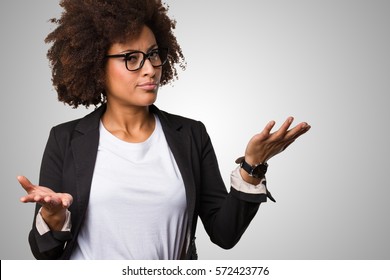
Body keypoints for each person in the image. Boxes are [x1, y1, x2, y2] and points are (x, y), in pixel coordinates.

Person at [17, 0, 311, 260]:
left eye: (154, 54)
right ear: (96, 67)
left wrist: (252, 166)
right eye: (131, 58)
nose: (150, 69)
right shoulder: (65, 139)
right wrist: (53, 219)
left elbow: (225, 234)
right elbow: (45, 254)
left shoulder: (190, 135)